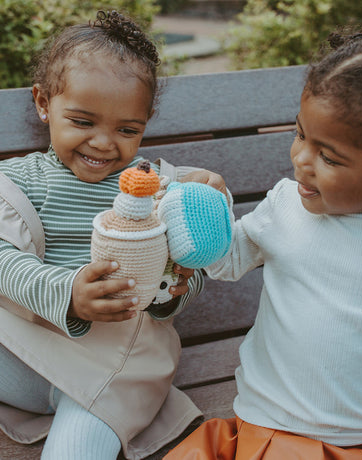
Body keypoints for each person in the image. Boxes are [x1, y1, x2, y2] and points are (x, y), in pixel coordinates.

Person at [164, 30, 362, 460]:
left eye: (329, 157)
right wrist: (201, 209)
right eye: (301, 134)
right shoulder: (286, 204)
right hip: (273, 432)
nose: (300, 159)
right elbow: (227, 258)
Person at [0, 10, 226, 460]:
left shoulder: (163, 189)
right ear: (44, 103)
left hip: (113, 368)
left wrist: (178, 287)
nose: (104, 143)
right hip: (23, 356)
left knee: (79, 446)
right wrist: (67, 292)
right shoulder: (16, 182)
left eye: (127, 130)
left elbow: (187, 268)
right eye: (83, 122)